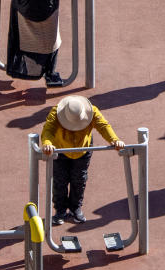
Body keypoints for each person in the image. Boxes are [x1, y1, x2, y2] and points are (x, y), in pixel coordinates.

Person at [40, 95, 124, 224]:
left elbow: (103, 126)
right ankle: (60, 210)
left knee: (79, 179)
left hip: (83, 150)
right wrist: (47, 143)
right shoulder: (56, 112)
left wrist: (115, 140)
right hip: (60, 150)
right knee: (59, 180)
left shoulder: (92, 111)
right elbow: (48, 129)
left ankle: (75, 208)